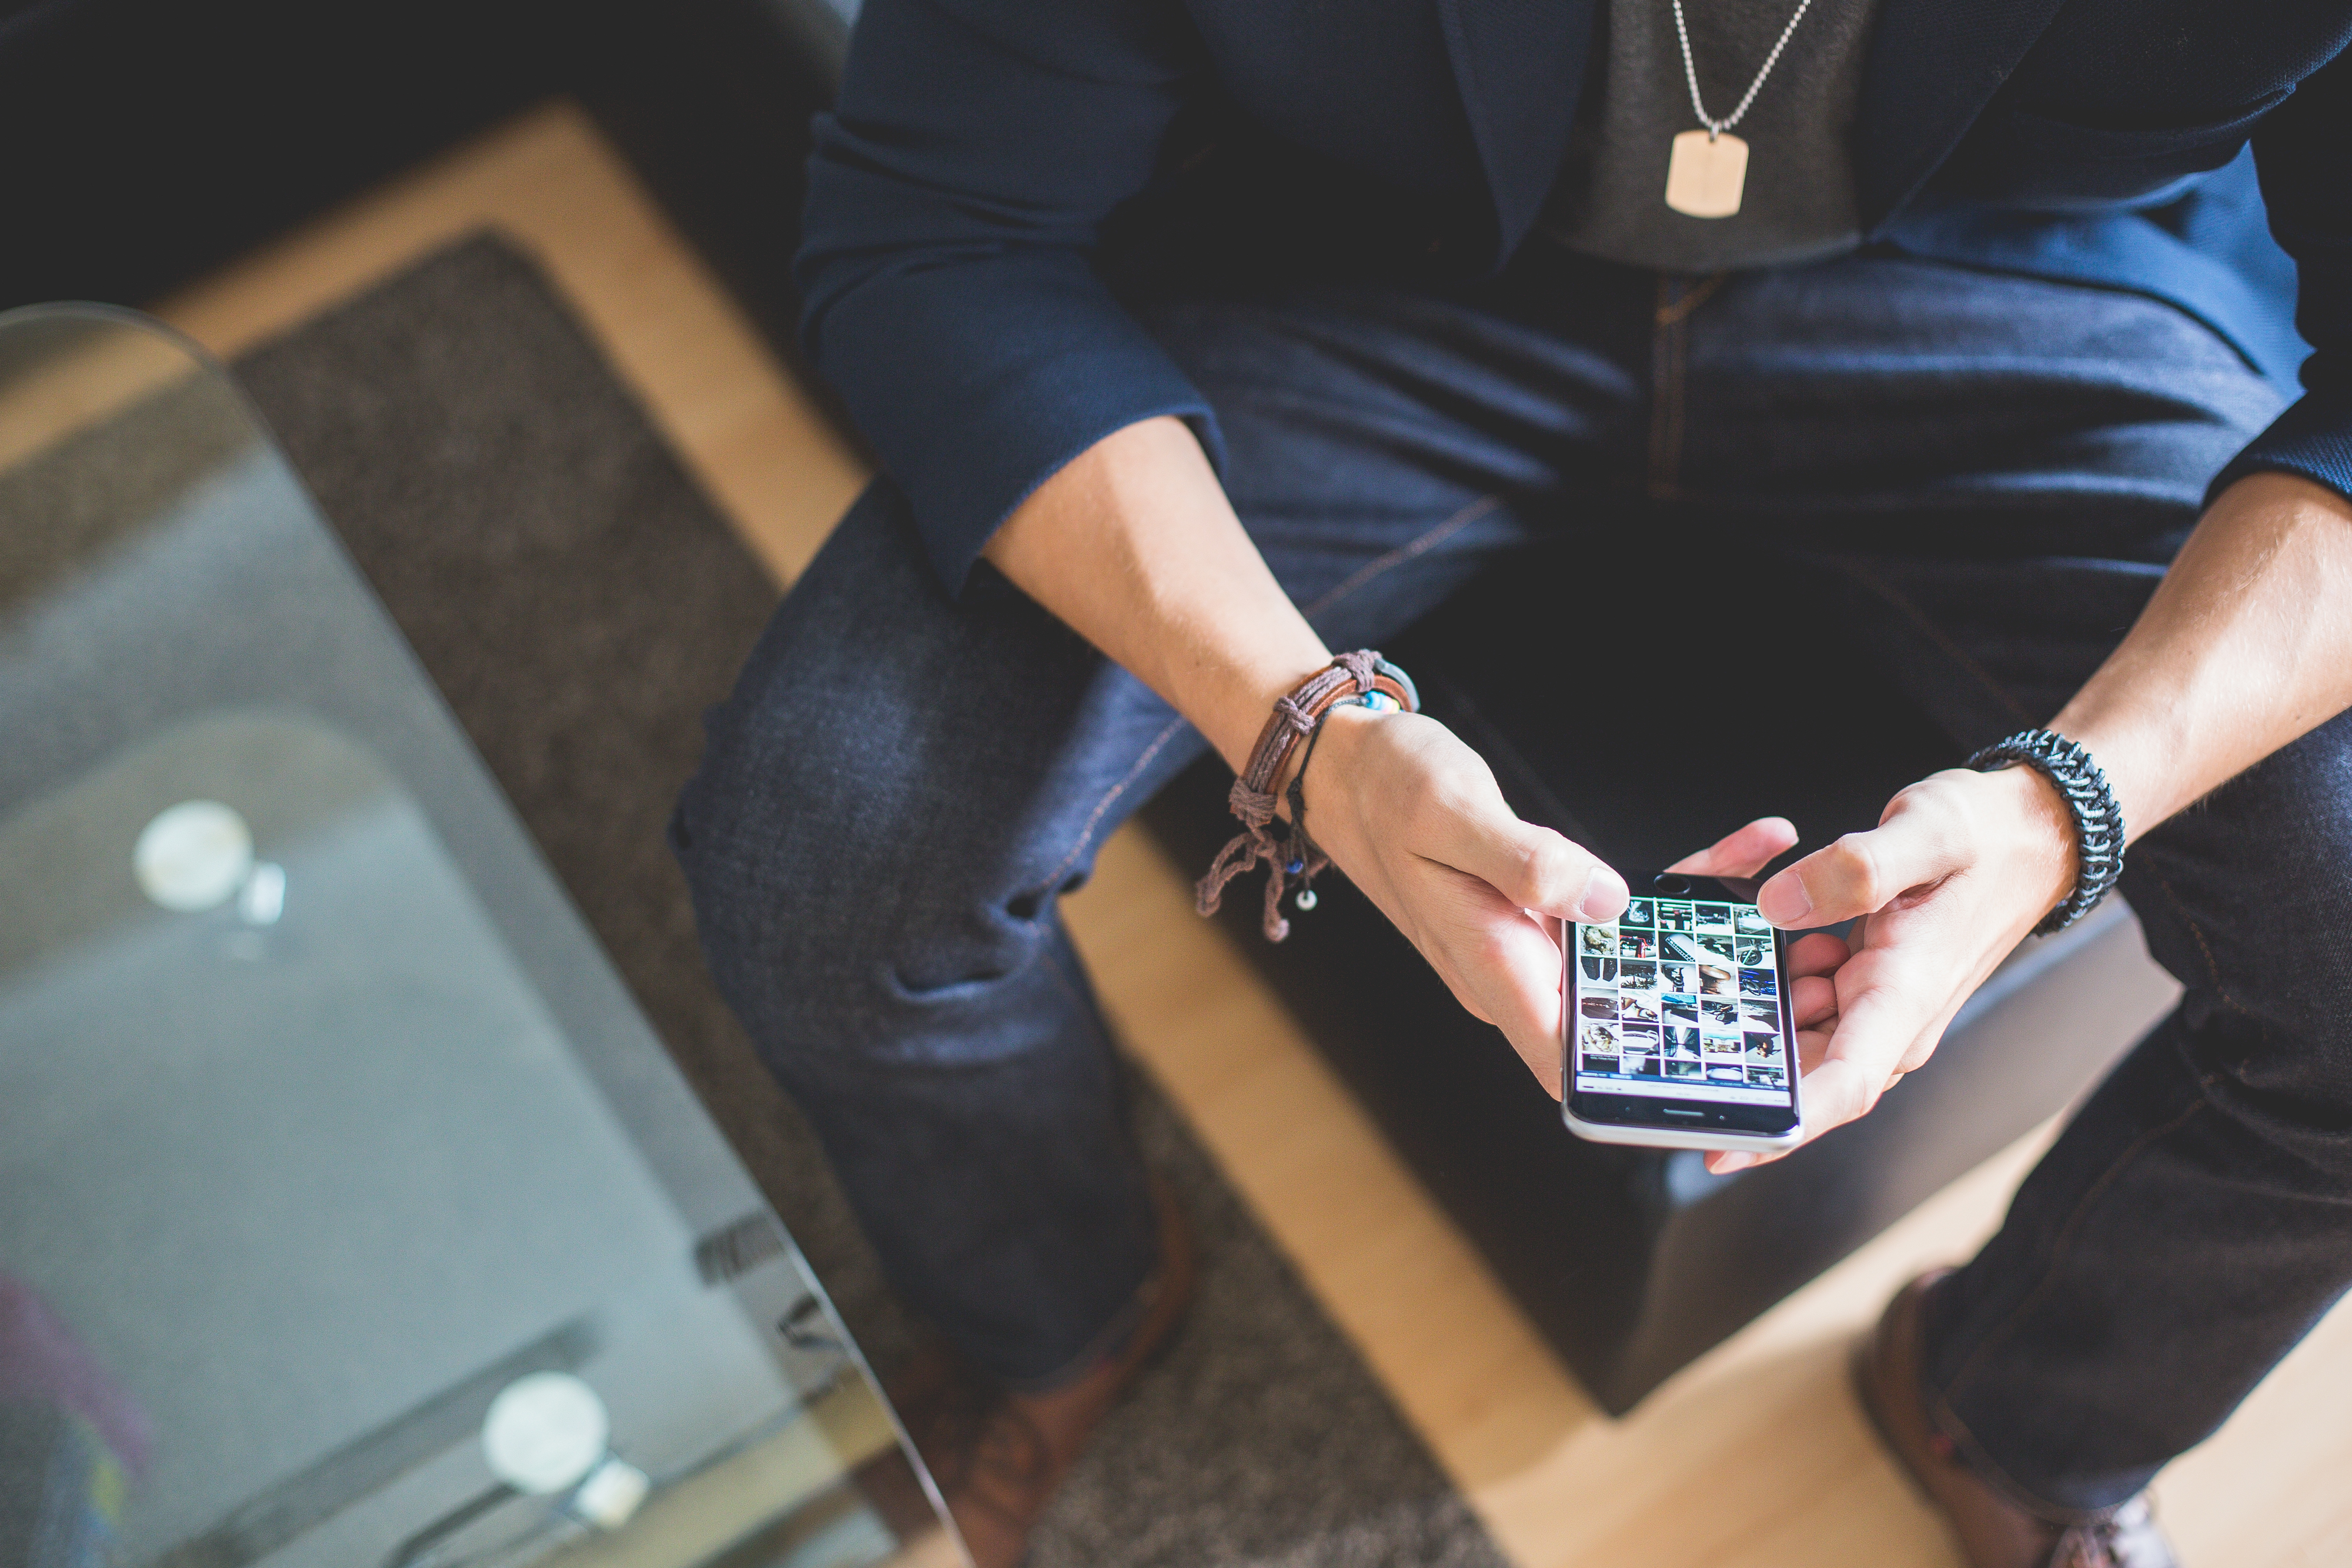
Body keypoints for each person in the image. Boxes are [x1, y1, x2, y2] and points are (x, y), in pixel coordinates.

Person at [670, 4, 2352, 1564]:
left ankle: (2018, 1415)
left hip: (2030, 276)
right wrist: (1303, 728)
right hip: (1352, 250)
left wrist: (2077, 798)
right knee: (824, 853)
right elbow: (939, 236)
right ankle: (1061, 1305)